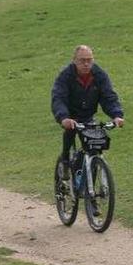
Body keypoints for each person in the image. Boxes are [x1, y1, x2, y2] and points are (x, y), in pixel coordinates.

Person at [51, 45, 124, 178]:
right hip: (70, 115)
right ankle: (65, 161)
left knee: (94, 147)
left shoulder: (100, 75)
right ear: (74, 60)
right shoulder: (65, 76)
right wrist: (63, 118)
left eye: (89, 60)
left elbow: (109, 97)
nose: (86, 64)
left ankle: (90, 181)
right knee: (70, 132)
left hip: (88, 115)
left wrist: (117, 115)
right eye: (82, 60)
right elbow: (58, 98)